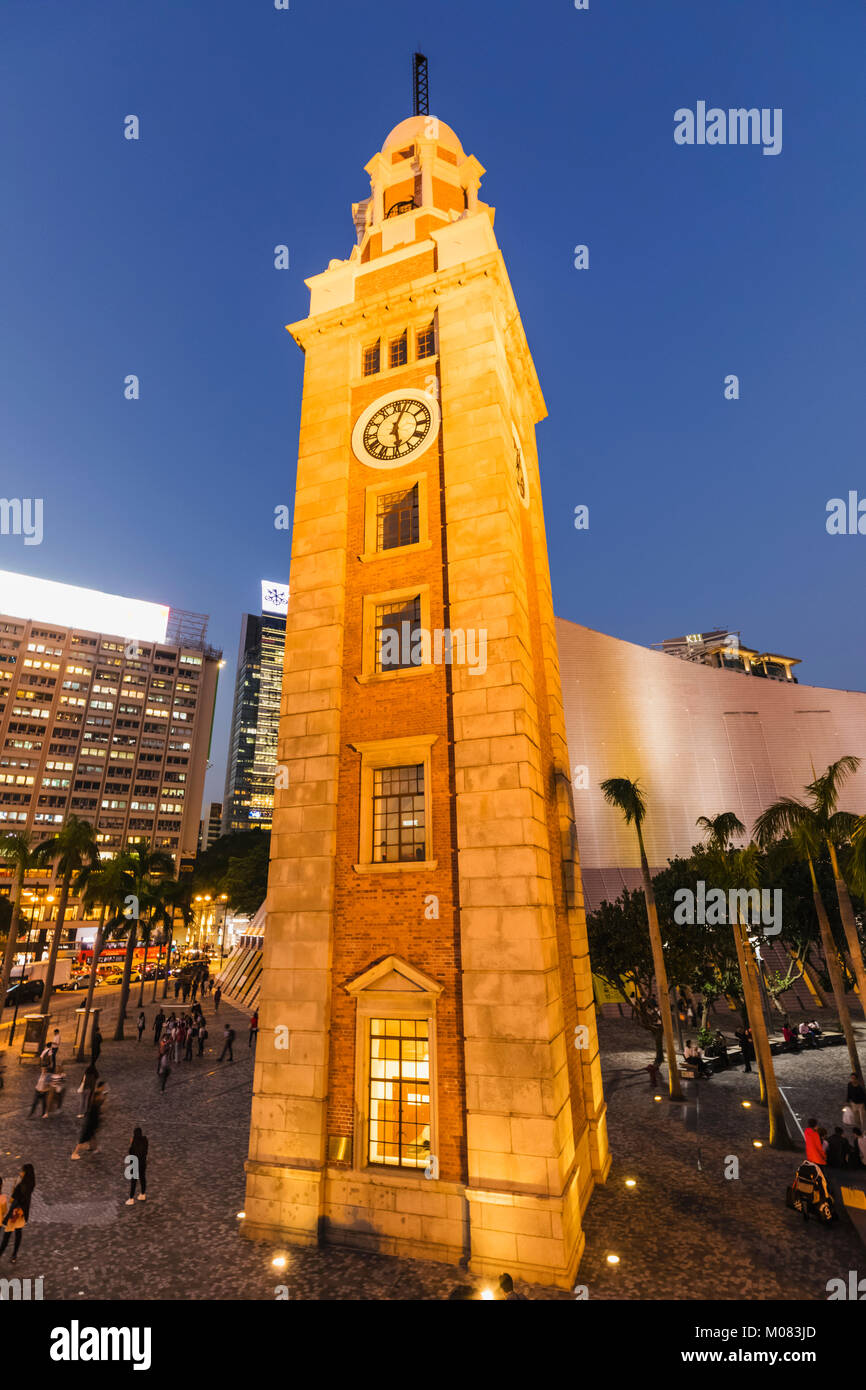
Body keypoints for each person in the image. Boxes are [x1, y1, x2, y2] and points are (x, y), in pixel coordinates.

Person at [0, 1165, 35, 1264]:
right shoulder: (31, 1184)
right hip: (22, 1214)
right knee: (18, 1233)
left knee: (7, 1236)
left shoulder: (20, 1186)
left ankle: (0, 1253)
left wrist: (7, 1216)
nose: (20, 1172)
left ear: (25, 1173)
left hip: (14, 1214)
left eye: (22, 1171)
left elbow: (13, 1200)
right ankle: (14, 1255)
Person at [71, 1082, 105, 1158]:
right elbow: (94, 1113)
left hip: (91, 1122)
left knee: (92, 1135)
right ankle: (74, 1153)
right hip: (90, 1123)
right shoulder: (95, 1100)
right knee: (83, 1139)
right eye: (102, 1087)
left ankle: (94, 1148)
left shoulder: (95, 1099)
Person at [126, 1127, 148, 1204]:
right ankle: (143, 1194)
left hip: (135, 1164)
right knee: (142, 1179)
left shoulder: (134, 1142)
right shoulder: (145, 1139)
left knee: (134, 1182)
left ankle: (131, 1198)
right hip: (143, 1163)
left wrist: (131, 1143)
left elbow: (131, 1152)